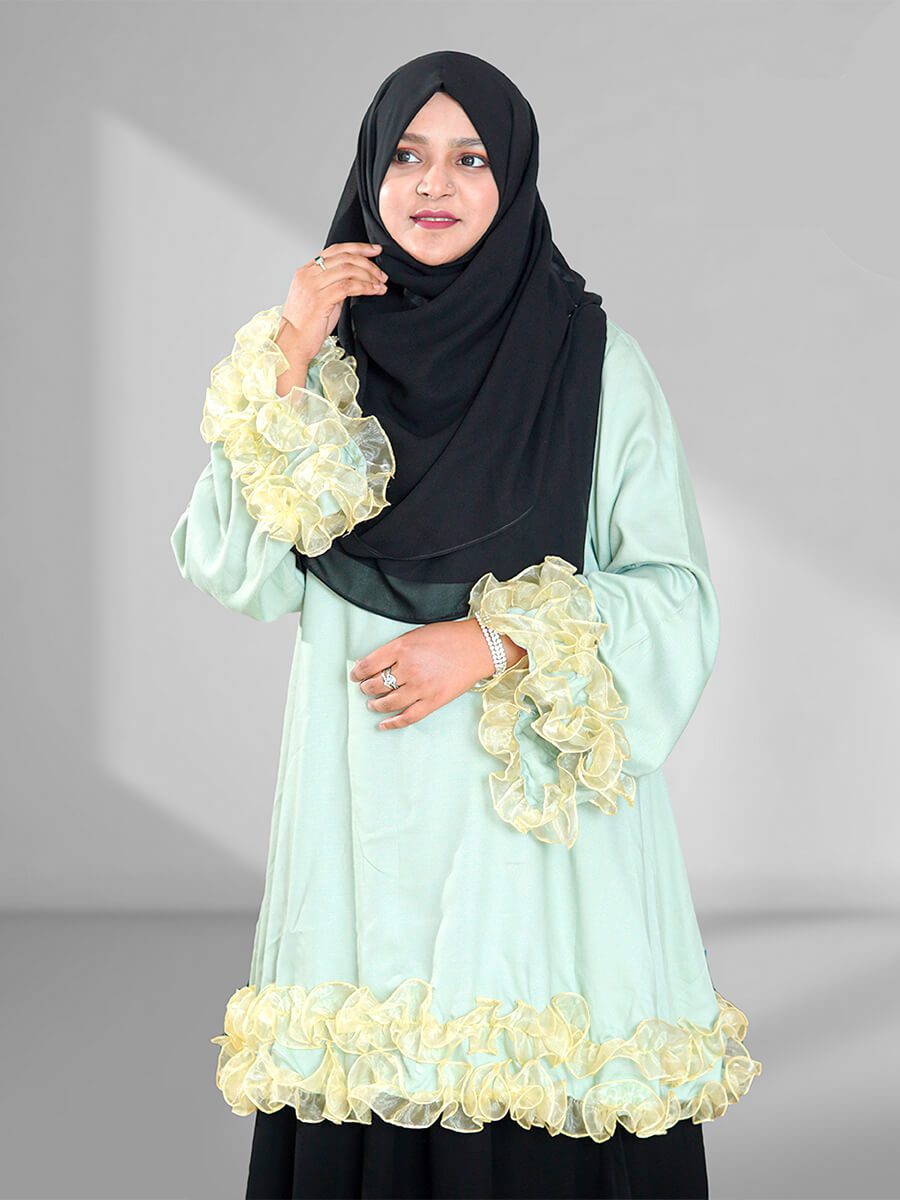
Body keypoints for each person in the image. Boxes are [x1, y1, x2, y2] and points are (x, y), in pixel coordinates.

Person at [170, 49, 762, 1200]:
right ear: (369, 175)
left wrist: (493, 642)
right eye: (406, 155)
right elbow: (231, 566)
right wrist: (287, 346)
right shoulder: (320, 367)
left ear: (514, 178)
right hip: (364, 838)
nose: (434, 184)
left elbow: (677, 597)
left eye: (471, 158)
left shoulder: (593, 367)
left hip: (531, 849)